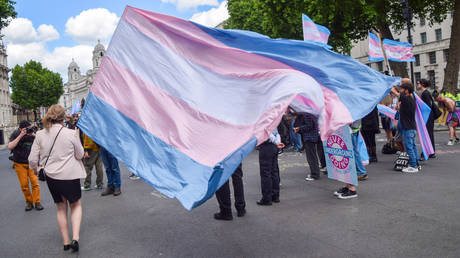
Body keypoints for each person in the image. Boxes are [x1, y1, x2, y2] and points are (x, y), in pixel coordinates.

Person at [29, 105, 86, 252]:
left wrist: (36, 170)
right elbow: (79, 155)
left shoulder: (40, 134)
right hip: (70, 175)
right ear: (63, 117)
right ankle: (75, 238)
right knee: (76, 205)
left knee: (61, 208)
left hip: (51, 176)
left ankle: (66, 242)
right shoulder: (70, 133)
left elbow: (32, 160)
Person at [8, 120, 42, 211]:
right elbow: (10, 147)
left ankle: (37, 202)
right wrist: (21, 135)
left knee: (35, 183)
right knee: (24, 185)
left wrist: (33, 135)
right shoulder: (16, 134)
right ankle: (29, 202)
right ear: (20, 129)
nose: (27, 130)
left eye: (28, 128)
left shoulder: (34, 133)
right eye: (25, 129)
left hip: (32, 162)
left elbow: (43, 143)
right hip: (19, 163)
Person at [333, 120, 365, 199]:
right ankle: (348, 186)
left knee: (348, 157)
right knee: (345, 157)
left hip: (349, 130)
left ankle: (352, 189)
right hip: (346, 129)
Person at [397, 82, 420, 173]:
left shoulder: (406, 98)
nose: (400, 90)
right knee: (413, 146)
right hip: (411, 127)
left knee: (409, 147)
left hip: (408, 128)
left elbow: (396, 93)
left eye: (402, 89)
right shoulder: (410, 99)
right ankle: (416, 164)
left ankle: (413, 166)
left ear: (406, 90)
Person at [257, 129, 284, 205]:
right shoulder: (272, 118)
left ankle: (267, 198)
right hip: (274, 145)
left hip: (267, 146)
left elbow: (266, 131)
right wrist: (277, 142)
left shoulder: (264, 118)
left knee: (266, 173)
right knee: (274, 171)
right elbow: (276, 132)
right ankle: (275, 196)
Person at [293, 113, 321, 181]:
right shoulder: (310, 113)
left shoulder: (307, 114)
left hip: (310, 137)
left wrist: (299, 128)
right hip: (311, 136)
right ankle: (315, 173)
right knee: (312, 156)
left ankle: (314, 174)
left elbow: (309, 126)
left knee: (311, 157)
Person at [417, 79, 436, 158]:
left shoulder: (425, 93)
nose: (417, 84)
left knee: (428, 134)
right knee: (428, 133)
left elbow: (427, 106)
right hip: (428, 116)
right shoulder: (425, 93)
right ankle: (430, 151)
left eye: (418, 83)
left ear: (422, 84)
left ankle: (430, 152)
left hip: (428, 116)